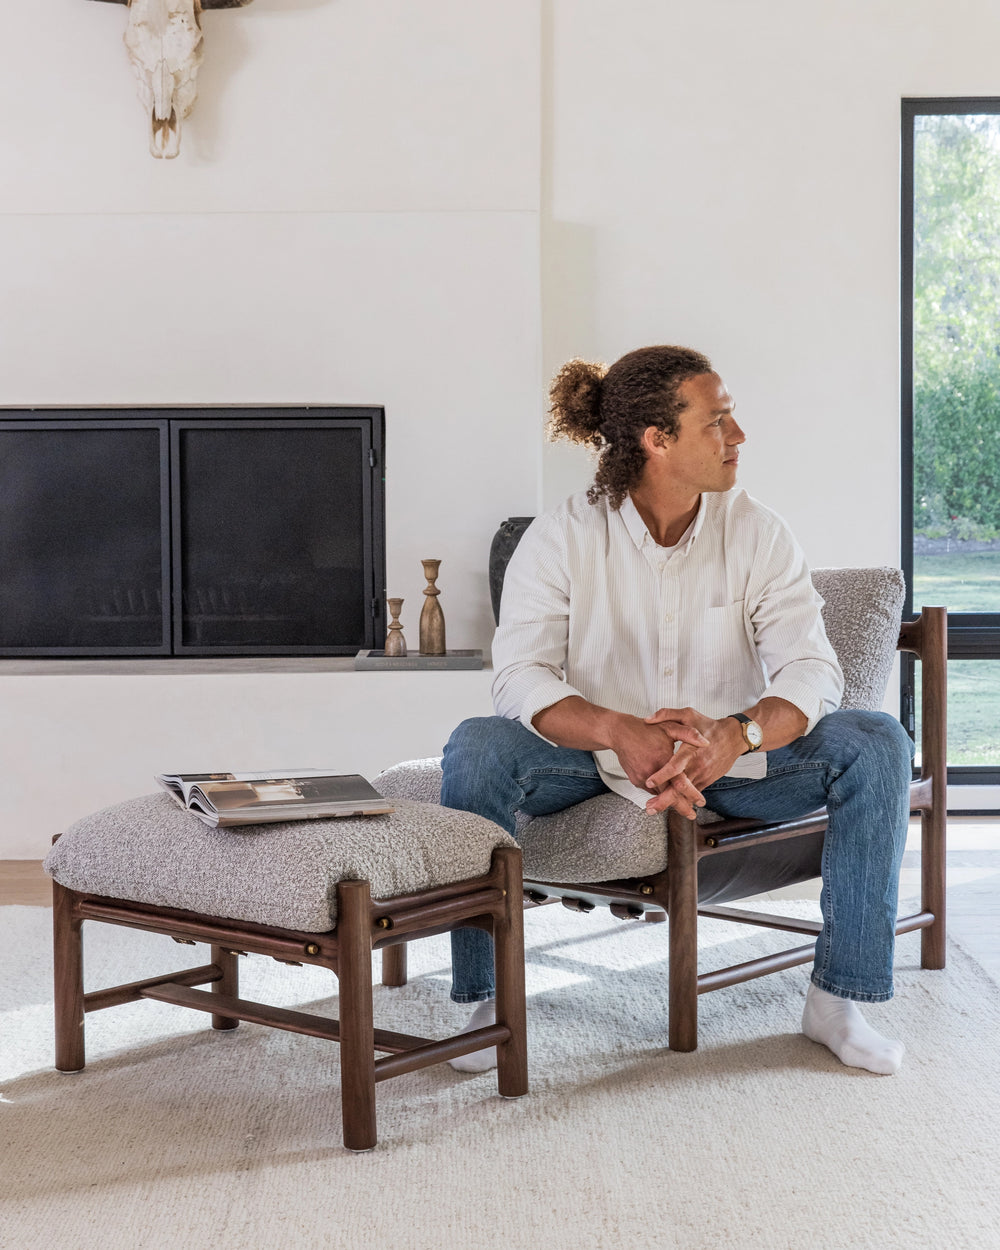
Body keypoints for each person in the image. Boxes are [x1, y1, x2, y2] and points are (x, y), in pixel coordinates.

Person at [442, 345, 913, 1076]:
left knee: (877, 738)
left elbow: (814, 669)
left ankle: (835, 1000)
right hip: (596, 761)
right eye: (718, 421)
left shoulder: (757, 530)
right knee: (477, 745)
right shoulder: (562, 536)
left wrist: (739, 733)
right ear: (656, 441)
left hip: (728, 761)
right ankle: (488, 995)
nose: (739, 436)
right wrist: (615, 729)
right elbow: (519, 675)